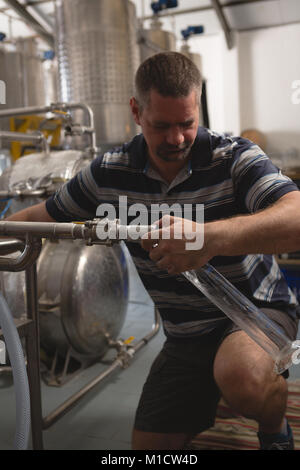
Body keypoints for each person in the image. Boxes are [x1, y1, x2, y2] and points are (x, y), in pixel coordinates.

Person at [7, 52, 300, 450]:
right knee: (147, 449)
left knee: (241, 376)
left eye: (187, 124)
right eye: (161, 126)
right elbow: (40, 216)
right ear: (136, 111)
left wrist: (209, 238)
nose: (177, 139)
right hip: (185, 334)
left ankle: (273, 422)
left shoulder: (233, 158)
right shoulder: (110, 174)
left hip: (255, 312)